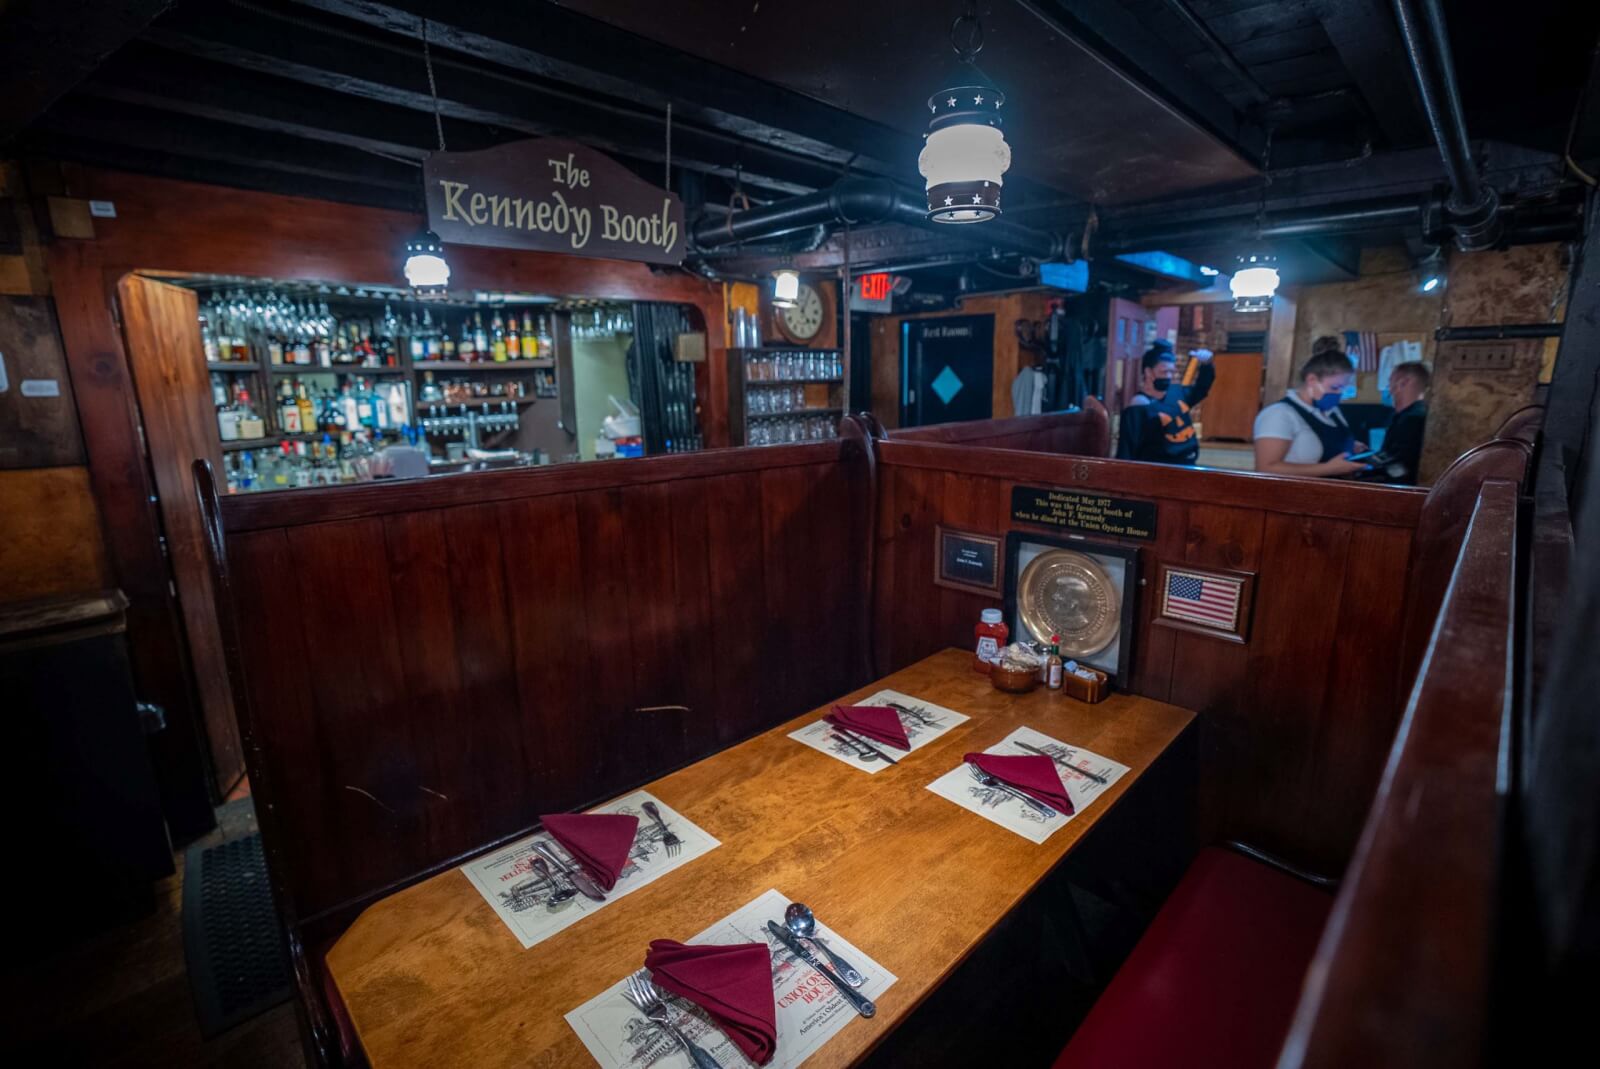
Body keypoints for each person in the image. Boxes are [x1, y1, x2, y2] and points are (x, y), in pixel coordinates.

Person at [1252, 347, 1369, 477]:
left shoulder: (1333, 412)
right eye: (1334, 387)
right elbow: (1265, 468)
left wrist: (1348, 446)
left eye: (1343, 389)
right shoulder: (1278, 414)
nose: (1339, 395)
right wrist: (1328, 469)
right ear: (1312, 380)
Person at [1115, 344, 1215, 465]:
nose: (1168, 376)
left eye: (1171, 372)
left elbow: (1201, 389)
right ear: (1148, 372)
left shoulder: (1177, 392)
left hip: (1188, 462)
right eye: (1164, 372)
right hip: (1160, 468)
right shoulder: (1140, 405)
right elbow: (1127, 447)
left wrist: (1207, 365)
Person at [1377, 361, 1430, 483]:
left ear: (1403, 383)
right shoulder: (1405, 416)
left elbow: (1399, 469)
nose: (1389, 387)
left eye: (1391, 381)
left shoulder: (1413, 420)